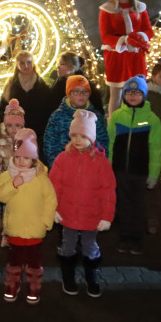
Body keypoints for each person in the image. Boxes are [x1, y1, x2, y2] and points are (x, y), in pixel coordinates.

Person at [50, 109, 116, 298]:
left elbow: (108, 191)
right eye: (74, 135)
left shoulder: (101, 163)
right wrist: (53, 209)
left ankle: (92, 277)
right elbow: (53, 187)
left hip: (91, 215)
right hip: (67, 214)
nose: (78, 140)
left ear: (91, 137)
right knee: (67, 246)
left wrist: (106, 216)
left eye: (83, 136)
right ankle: (68, 277)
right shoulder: (62, 159)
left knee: (89, 246)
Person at [0, 128, 56, 305]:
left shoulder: (42, 179)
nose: (21, 161)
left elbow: (51, 200)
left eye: (26, 158)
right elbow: (0, 195)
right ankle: (12, 284)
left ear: (34, 159)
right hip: (15, 229)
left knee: (34, 262)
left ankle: (34, 286)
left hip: (36, 230)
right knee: (14, 261)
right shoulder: (7, 176)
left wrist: (46, 222)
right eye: (18, 157)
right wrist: (13, 185)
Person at [107, 75, 161, 254]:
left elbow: (156, 149)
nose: (132, 96)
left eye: (137, 93)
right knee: (123, 203)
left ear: (143, 95)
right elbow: (110, 143)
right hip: (120, 170)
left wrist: (153, 174)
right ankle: (125, 237)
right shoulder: (117, 117)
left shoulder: (152, 119)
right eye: (129, 92)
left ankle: (136, 238)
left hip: (141, 171)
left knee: (139, 205)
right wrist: (108, 168)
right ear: (124, 95)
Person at [99, 0, 153, 114]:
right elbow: (105, 36)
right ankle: (114, 123)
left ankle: (135, 121)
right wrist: (124, 40)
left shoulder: (140, 8)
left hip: (136, 55)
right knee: (116, 94)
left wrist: (139, 37)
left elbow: (148, 30)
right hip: (117, 55)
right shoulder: (107, 9)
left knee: (137, 92)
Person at [44, 75, 109, 168]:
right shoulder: (57, 116)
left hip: (89, 168)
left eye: (85, 91)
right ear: (69, 93)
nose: (81, 95)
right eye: (76, 91)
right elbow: (50, 145)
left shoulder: (96, 117)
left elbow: (103, 143)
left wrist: (97, 166)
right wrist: (58, 166)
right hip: (64, 167)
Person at [0, 51, 56, 149]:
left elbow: (50, 111)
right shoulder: (11, 86)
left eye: (29, 62)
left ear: (33, 64)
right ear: (17, 65)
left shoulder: (42, 86)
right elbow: (2, 109)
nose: (26, 66)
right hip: (15, 136)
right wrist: (10, 124)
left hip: (38, 136)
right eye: (22, 63)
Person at [0, 99, 26, 228]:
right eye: (10, 125)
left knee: (24, 210)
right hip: (7, 182)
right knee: (8, 211)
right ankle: (8, 232)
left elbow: (33, 161)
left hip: (25, 182)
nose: (14, 129)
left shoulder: (27, 139)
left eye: (18, 125)